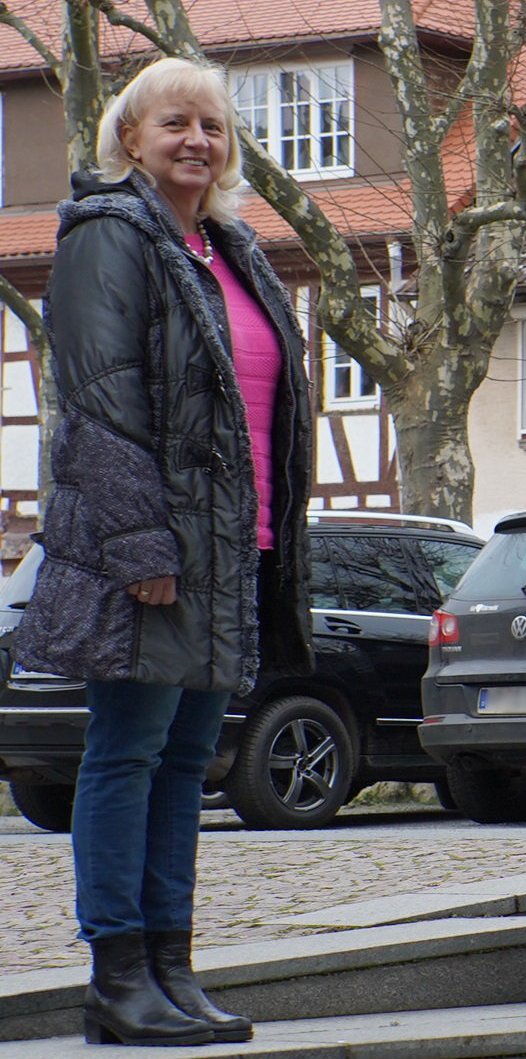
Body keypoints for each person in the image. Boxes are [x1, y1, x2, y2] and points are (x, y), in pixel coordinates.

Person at [13, 57, 314, 1046]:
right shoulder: (110, 236)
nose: (198, 141)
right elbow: (99, 405)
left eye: (213, 127)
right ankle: (118, 978)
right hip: (152, 551)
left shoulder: (228, 247)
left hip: (233, 545)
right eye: (175, 123)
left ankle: (172, 969)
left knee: (189, 760)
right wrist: (143, 541)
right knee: (128, 752)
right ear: (129, 139)